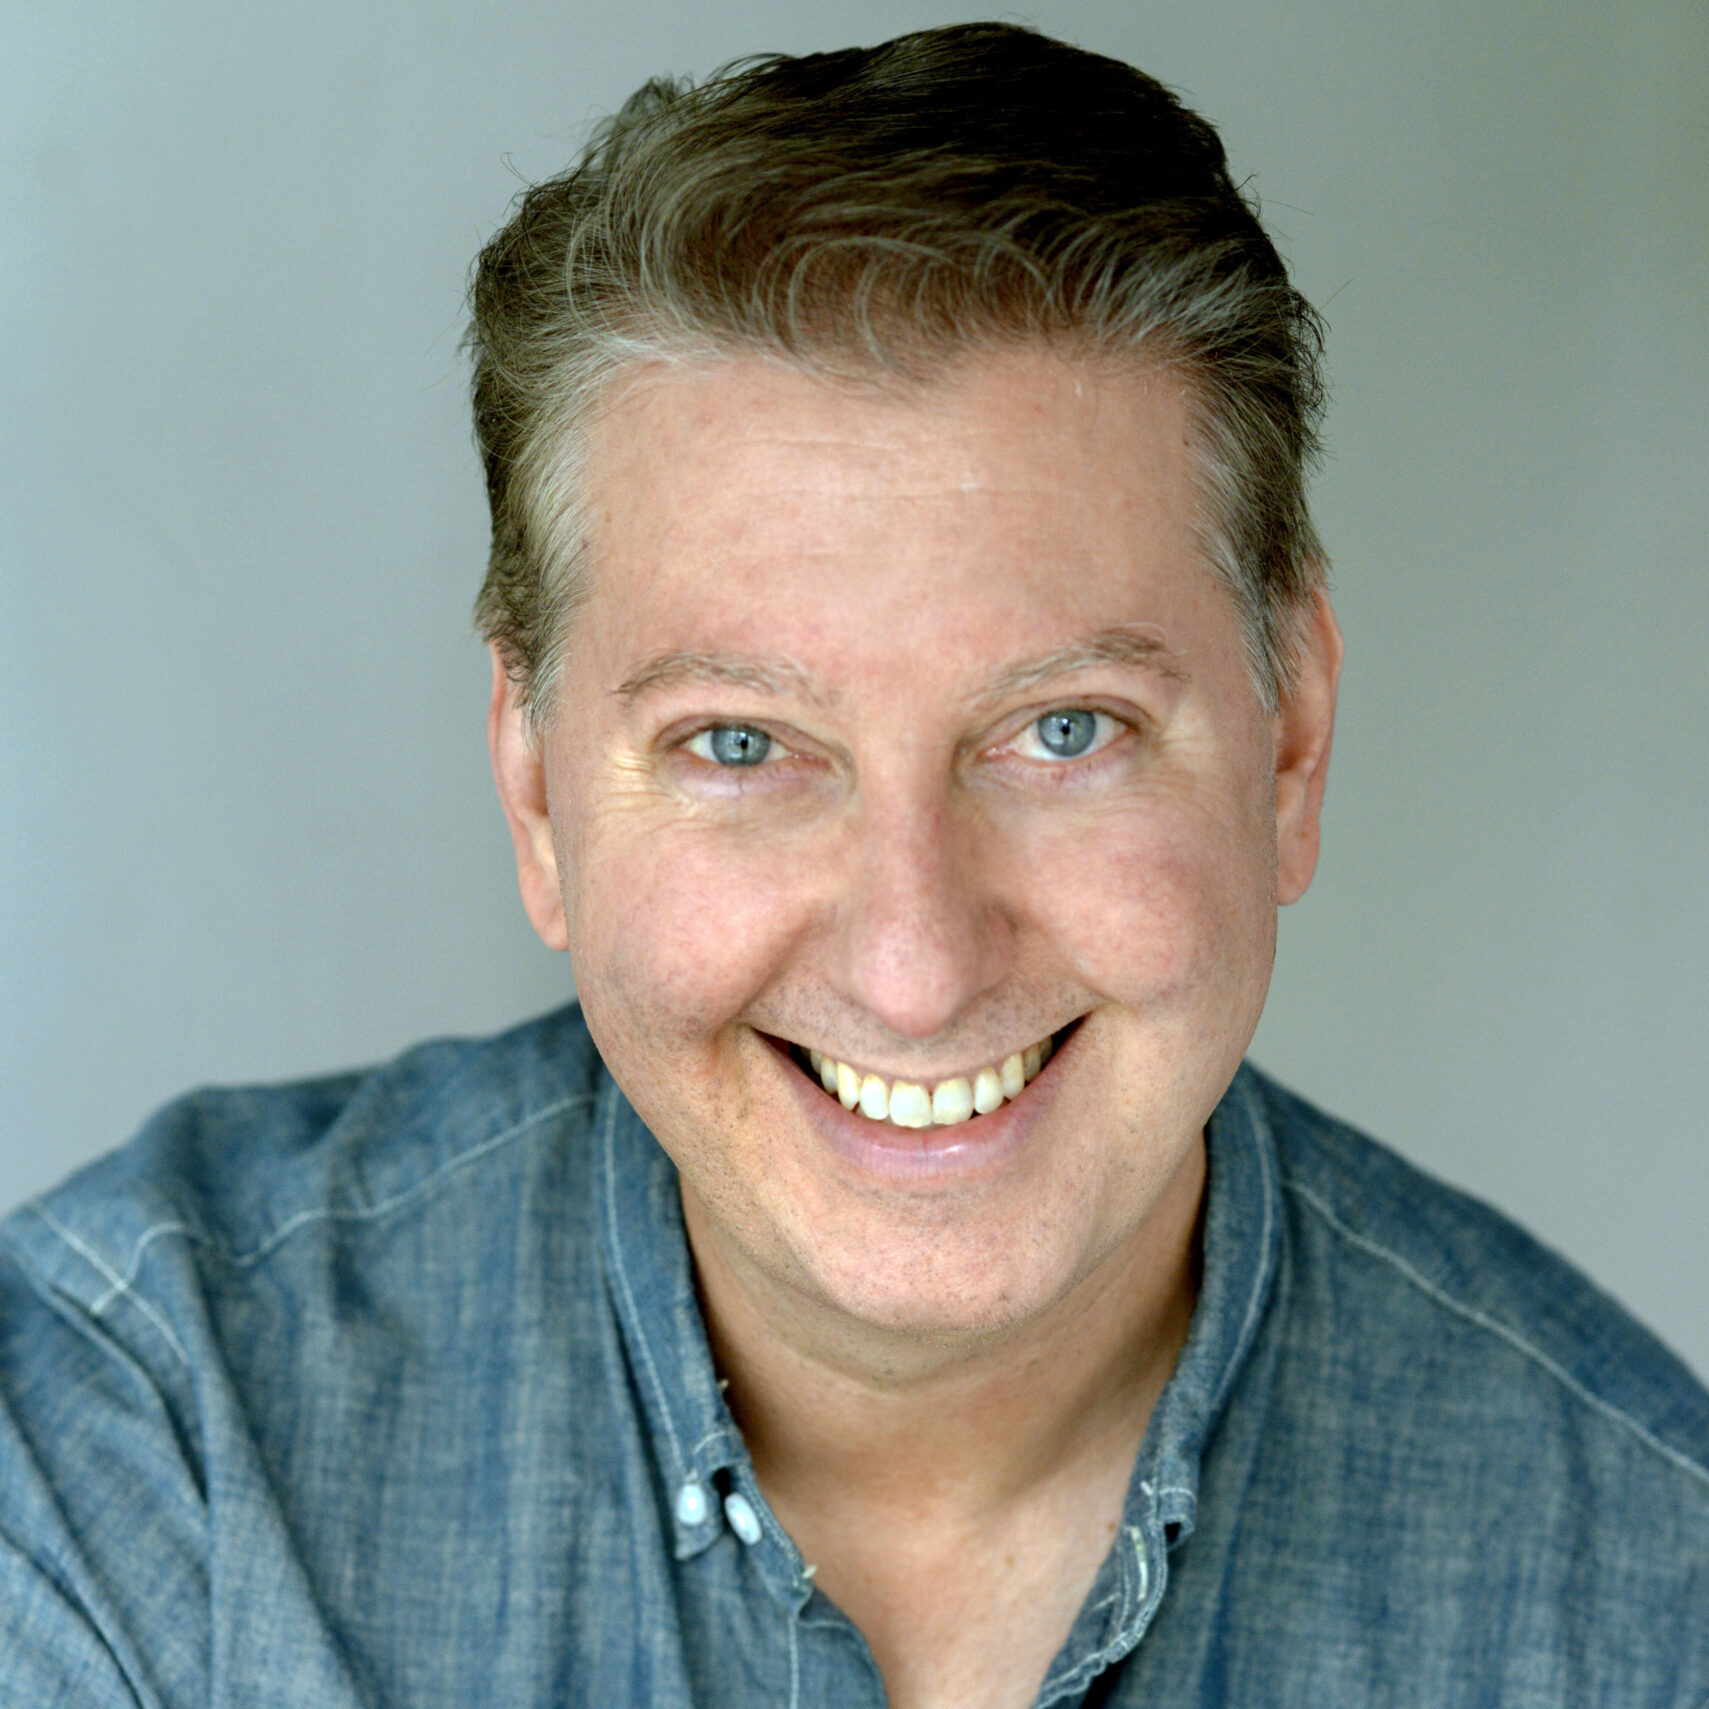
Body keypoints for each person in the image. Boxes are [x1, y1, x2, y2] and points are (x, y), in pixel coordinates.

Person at [2, 23, 1705, 1707]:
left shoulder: (1651, 1587)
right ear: (533, 788)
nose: (916, 962)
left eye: (1062, 730)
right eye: (742, 744)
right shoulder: (150, 1442)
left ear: (1286, 741)